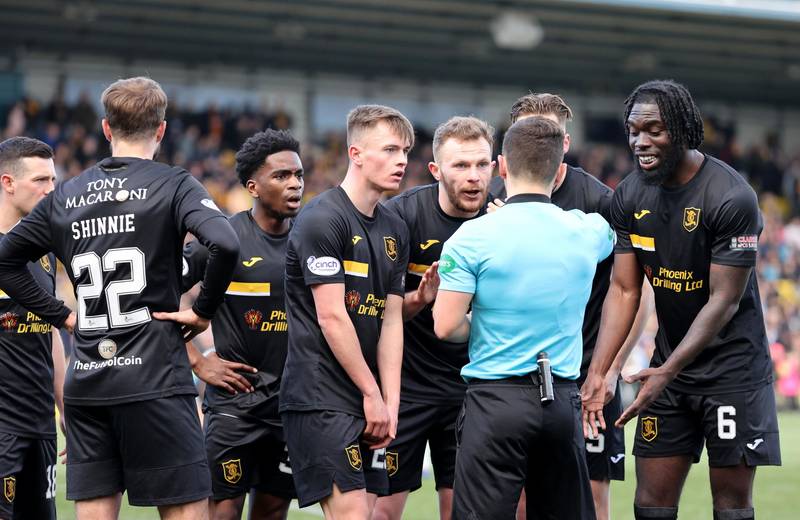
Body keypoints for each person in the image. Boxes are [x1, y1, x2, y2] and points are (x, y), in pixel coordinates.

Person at [0, 77, 240, 520]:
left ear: (106, 129)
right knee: (186, 510)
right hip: (156, 381)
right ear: (162, 130)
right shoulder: (174, 183)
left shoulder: (66, 194)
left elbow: (5, 260)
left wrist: (63, 316)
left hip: (88, 382)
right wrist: (203, 312)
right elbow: (225, 243)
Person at [582, 79, 780, 520]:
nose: (640, 141)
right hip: (667, 370)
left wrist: (667, 371)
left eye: (654, 129)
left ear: (684, 129)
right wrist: (600, 372)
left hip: (733, 371)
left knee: (731, 508)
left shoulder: (732, 197)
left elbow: (723, 302)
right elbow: (624, 288)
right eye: (634, 130)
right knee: (650, 506)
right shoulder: (630, 195)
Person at [433, 116, 614, 519]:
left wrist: (491, 325)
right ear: (559, 170)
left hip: (496, 401)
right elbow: (621, 228)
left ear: (501, 167)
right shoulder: (587, 231)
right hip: (562, 402)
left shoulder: (471, 237)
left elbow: (445, 326)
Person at [489, 93, 653, 520]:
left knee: (592, 496)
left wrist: (610, 371)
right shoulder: (492, 202)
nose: (539, 139)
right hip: (510, 379)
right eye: (529, 131)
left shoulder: (601, 201)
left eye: (551, 134)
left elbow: (636, 291)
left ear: (566, 142)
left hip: (585, 380)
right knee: (518, 499)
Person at [280, 105, 411, 519]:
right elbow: (331, 317)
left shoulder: (395, 228)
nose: (402, 160)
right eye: (389, 150)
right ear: (355, 153)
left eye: (405, 150)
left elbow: (391, 318)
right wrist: (372, 393)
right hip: (321, 396)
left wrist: (390, 401)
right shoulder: (323, 218)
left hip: (368, 398)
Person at [372, 116, 495, 520]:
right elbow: (378, 314)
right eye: (461, 166)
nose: (474, 176)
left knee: (461, 511)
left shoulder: (505, 223)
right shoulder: (399, 219)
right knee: (383, 512)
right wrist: (421, 299)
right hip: (406, 389)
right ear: (436, 170)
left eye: (482, 164)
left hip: (473, 392)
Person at [181, 129, 304, 520]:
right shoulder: (222, 239)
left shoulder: (311, 239)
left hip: (291, 406)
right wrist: (199, 361)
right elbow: (152, 296)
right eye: (281, 176)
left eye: (299, 175)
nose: (295, 184)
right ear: (253, 186)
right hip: (235, 406)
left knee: (271, 511)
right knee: (223, 511)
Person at [0, 137, 66, 520]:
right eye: (40, 180)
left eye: (53, 180)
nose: (50, 190)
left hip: (39, 426)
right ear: (8, 183)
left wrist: (64, 407)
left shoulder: (43, 250)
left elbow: (50, 328)